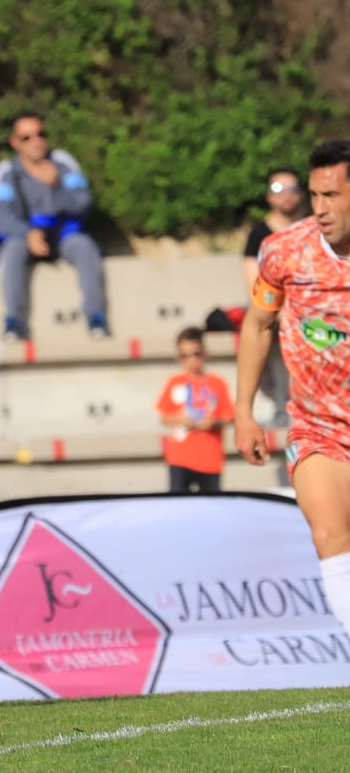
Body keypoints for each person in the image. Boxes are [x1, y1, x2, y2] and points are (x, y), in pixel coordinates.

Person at [237, 140, 350, 640]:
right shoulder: (284, 251)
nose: (321, 208)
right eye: (315, 195)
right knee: (329, 533)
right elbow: (258, 325)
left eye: (334, 195)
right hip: (317, 425)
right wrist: (244, 411)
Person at [0, 112, 108, 341]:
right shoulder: (5, 172)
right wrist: (27, 233)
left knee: (84, 247)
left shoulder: (64, 164)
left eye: (40, 134)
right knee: (11, 252)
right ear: (14, 143)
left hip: (63, 236)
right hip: (25, 238)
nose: (36, 141)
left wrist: (57, 187)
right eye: (27, 137)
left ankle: (96, 318)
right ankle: (14, 321)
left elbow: (83, 205)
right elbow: (0, 219)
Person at [243, 167, 306, 427]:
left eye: (292, 188)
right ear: (268, 196)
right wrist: (281, 312)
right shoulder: (260, 234)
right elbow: (252, 277)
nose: (286, 196)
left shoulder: (315, 227)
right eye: (278, 189)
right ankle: (283, 405)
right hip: (277, 313)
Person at [154, 326, 234, 494]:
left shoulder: (217, 383)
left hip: (210, 459)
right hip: (180, 458)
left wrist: (214, 422)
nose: (191, 360)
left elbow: (229, 416)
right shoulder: (175, 381)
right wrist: (181, 420)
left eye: (196, 354)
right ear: (179, 358)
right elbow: (164, 417)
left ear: (205, 353)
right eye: (185, 355)